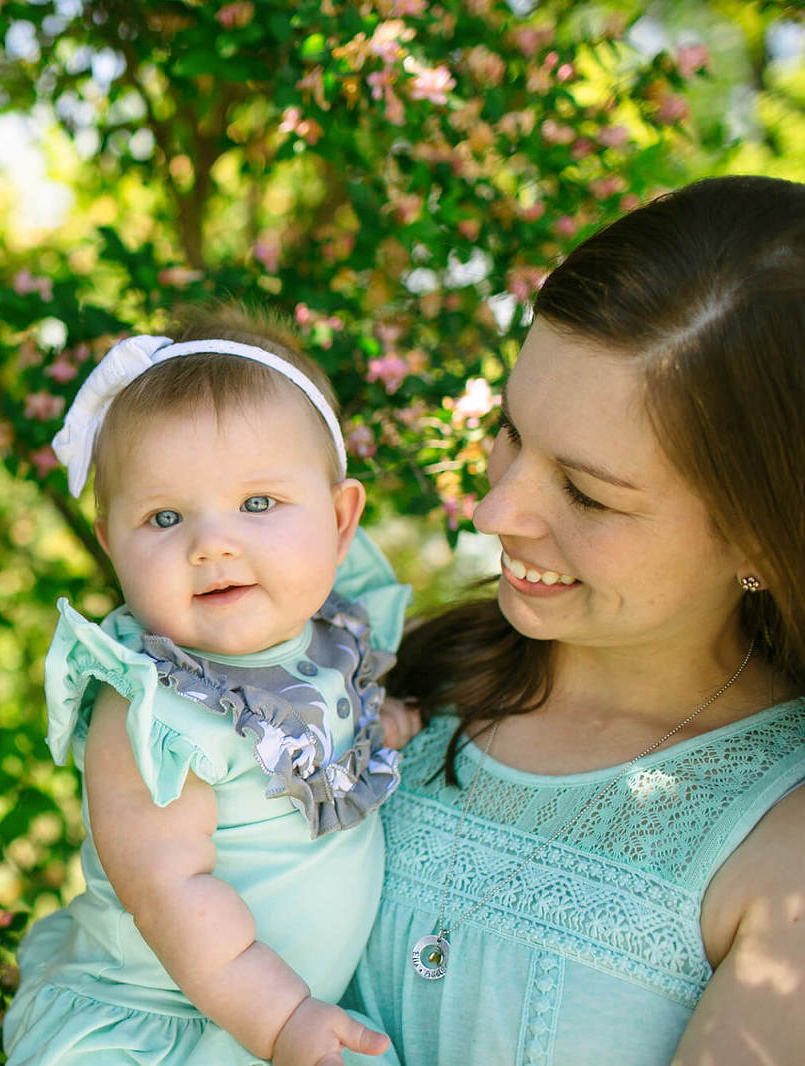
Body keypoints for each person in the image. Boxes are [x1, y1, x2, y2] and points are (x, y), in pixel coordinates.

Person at [342, 174, 805, 1065]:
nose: (495, 512)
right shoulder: (405, 674)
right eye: (513, 432)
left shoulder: (780, 846)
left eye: (587, 493)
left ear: (761, 531)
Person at [3, 309, 420, 1065]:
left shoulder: (332, 637)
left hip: (285, 1020)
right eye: (164, 517)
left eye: (258, 504)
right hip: (171, 1025)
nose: (212, 544)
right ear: (111, 543)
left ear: (338, 519)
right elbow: (172, 894)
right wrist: (284, 1019)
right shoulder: (153, 707)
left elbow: (321, 737)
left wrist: (384, 725)